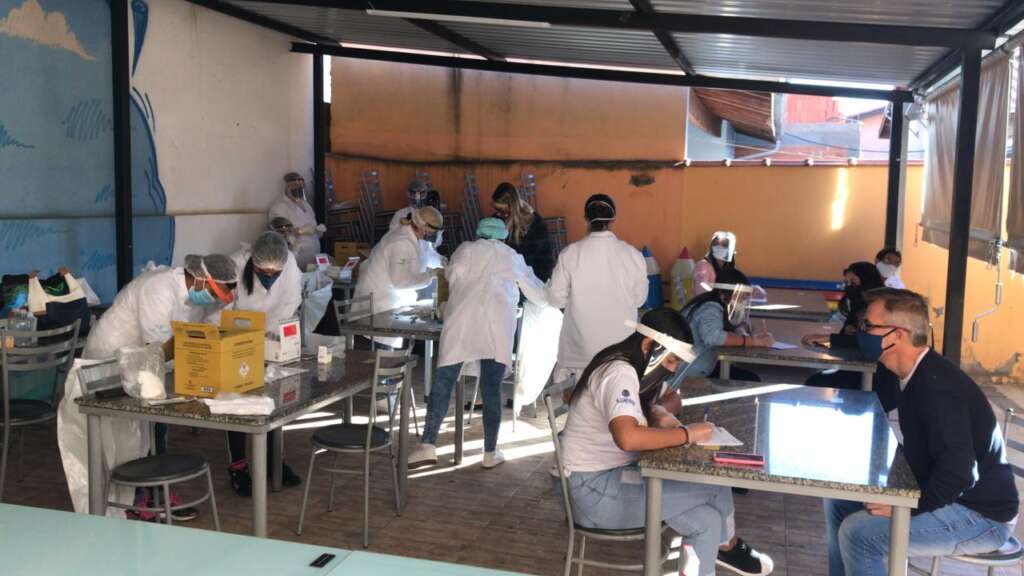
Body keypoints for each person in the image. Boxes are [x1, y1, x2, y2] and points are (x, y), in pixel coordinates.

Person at [559, 307, 774, 576]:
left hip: (613, 478)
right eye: (671, 360)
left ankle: (719, 549)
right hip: (592, 493)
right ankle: (727, 547)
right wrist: (687, 434)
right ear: (648, 345)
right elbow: (627, 437)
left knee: (708, 520)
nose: (672, 369)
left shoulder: (635, 364)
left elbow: (671, 397)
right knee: (715, 483)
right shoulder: (619, 373)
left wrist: (656, 412)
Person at [825, 288, 1018, 576]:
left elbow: (960, 472)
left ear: (897, 335)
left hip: (982, 515)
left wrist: (908, 508)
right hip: (950, 495)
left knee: (859, 534)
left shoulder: (936, 386)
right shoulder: (908, 373)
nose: (863, 332)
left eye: (869, 325)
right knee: (840, 500)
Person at [82, 253, 237, 522]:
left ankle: (153, 491)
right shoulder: (158, 288)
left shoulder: (199, 294)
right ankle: (141, 496)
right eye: (213, 292)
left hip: (147, 363)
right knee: (123, 434)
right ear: (200, 278)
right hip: (112, 359)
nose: (213, 299)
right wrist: (192, 352)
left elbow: (207, 330)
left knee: (149, 428)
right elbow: (156, 347)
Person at [409, 218, 547, 469]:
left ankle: (427, 445)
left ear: (478, 233)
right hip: (496, 327)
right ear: (503, 236)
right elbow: (538, 293)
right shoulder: (511, 256)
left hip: (461, 321)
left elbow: (451, 275)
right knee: (491, 388)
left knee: (443, 382)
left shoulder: (465, 250)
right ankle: (490, 452)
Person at [222, 232, 304, 496]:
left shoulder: (289, 263)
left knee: (273, 398)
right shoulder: (235, 265)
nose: (269, 275)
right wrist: (236, 338)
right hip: (236, 338)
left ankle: (272, 461)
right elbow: (222, 310)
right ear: (253, 262)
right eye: (263, 271)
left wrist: (270, 333)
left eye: (274, 272)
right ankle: (238, 465)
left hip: (270, 337)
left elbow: (291, 300)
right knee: (236, 403)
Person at [546, 193, 647, 388]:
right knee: (615, 403)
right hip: (621, 350)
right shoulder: (633, 255)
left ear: (586, 218)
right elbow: (639, 299)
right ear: (613, 220)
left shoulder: (570, 254)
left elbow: (556, 299)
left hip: (580, 352)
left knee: (580, 403)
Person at [353, 206, 445, 348]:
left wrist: (443, 261)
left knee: (393, 349)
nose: (433, 236)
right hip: (380, 303)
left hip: (393, 303)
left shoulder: (419, 238)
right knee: (382, 349)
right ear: (423, 228)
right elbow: (400, 282)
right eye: (432, 232)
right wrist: (430, 274)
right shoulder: (400, 242)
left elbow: (427, 255)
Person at [803, 261, 887, 389]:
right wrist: (848, 330)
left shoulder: (880, 306)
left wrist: (829, 338)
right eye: (846, 282)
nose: (849, 286)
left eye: (853, 282)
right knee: (815, 380)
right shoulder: (856, 302)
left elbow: (872, 342)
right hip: (855, 364)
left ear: (867, 280)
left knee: (815, 382)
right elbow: (848, 332)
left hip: (877, 372)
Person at [681, 268, 771, 382]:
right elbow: (713, 337)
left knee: (750, 378)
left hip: (703, 365)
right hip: (689, 371)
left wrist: (740, 330)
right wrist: (753, 341)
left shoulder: (717, 305)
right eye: (740, 297)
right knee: (751, 380)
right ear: (723, 294)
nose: (742, 301)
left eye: (744, 297)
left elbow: (735, 323)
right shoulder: (709, 308)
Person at [491, 182, 555, 282]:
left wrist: (539, 284)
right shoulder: (497, 220)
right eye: (496, 209)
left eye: (502, 210)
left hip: (532, 277)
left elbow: (545, 261)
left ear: (512, 206)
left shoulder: (534, 224)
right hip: (508, 277)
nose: (498, 214)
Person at [268, 172, 324, 271]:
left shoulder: (306, 205)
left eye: (301, 186)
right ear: (287, 187)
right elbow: (278, 233)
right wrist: (299, 231)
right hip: (296, 257)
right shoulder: (280, 206)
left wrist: (318, 231)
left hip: (313, 256)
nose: (299, 189)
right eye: (295, 186)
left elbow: (313, 227)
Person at [693, 231, 737, 296]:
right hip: (706, 301)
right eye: (716, 244)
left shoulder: (730, 269)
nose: (720, 247)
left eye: (724, 245)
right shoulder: (702, 265)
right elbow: (701, 288)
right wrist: (717, 296)